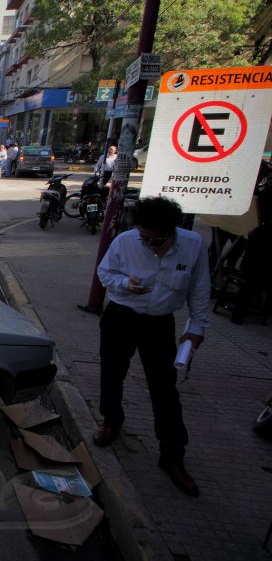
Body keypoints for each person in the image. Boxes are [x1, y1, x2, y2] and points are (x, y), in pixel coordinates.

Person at [93, 196, 211, 497]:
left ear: (171, 232)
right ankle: (111, 420)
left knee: (164, 388)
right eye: (144, 239)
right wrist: (125, 284)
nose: (149, 245)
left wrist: (197, 327)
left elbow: (199, 288)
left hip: (159, 324)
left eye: (156, 240)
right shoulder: (126, 241)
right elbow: (105, 273)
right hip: (121, 316)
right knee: (112, 372)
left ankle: (172, 454)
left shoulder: (193, 244)